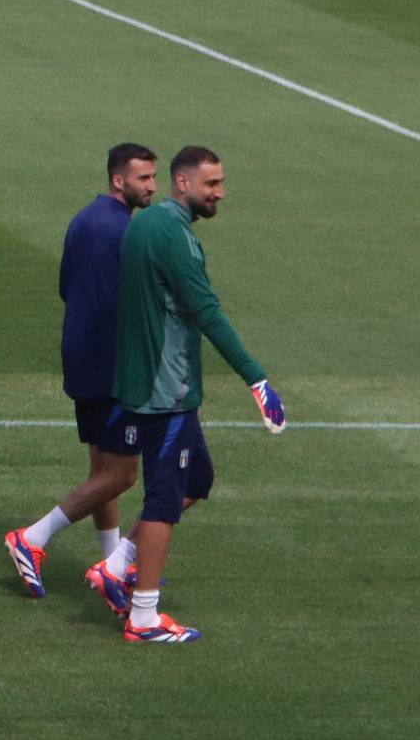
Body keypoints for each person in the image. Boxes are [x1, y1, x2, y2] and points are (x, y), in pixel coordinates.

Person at [86, 147, 284, 644]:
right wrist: (256, 379)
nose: (219, 193)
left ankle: (116, 566)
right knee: (165, 501)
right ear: (182, 182)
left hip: (152, 383)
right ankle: (144, 617)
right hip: (164, 392)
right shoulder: (174, 236)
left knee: (197, 478)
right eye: (211, 184)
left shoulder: (149, 226)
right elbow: (207, 312)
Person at [5, 144, 160, 598]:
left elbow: (65, 287)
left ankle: (112, 562)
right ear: (119, 180)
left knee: (101, 469)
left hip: (81, 359)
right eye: (144, 178)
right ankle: (32, 538)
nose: (152, 186)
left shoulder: (85, 220)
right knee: (124, 474)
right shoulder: (124, 232)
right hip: (114, 368)